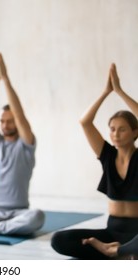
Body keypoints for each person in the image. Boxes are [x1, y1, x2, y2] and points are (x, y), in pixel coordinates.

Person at [51, 63, 138, 260]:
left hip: (136, 233)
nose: (115, 134)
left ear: (135, 132)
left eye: (122, 129)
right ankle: (121, 253)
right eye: (112, 129)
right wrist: (106, 91)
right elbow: (85, 122)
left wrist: (120, 92)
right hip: (111, 232)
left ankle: (121, 252)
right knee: (59, 240)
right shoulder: (107, 155)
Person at [0, 53, 44, 236]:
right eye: (2, 121)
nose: (5, 125)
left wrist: (6, 80)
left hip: (19, 212)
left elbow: (21, 115)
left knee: (37, 217)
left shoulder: (26, 145)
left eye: (10, 121)